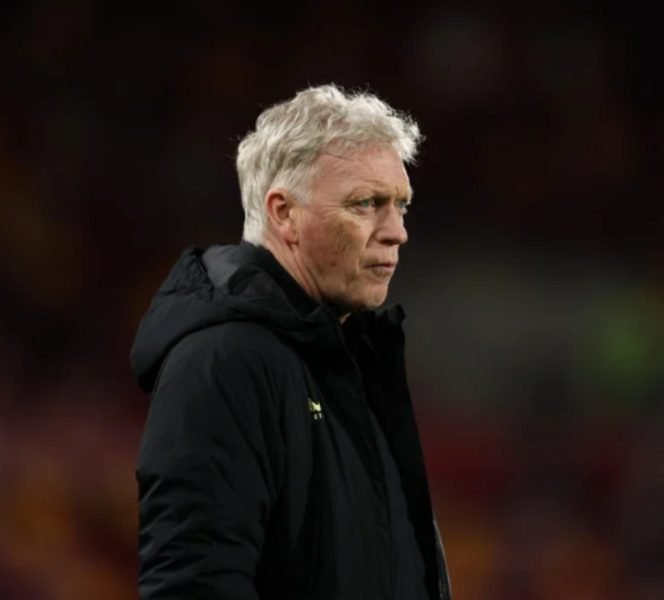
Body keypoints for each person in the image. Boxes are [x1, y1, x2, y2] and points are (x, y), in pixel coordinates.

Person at [130, 85, 451, 599]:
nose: (397, 232)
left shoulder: (348, 358)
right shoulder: (224, 362)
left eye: (401, 206)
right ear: (283, 213)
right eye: (367, 204)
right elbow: (193, 585)